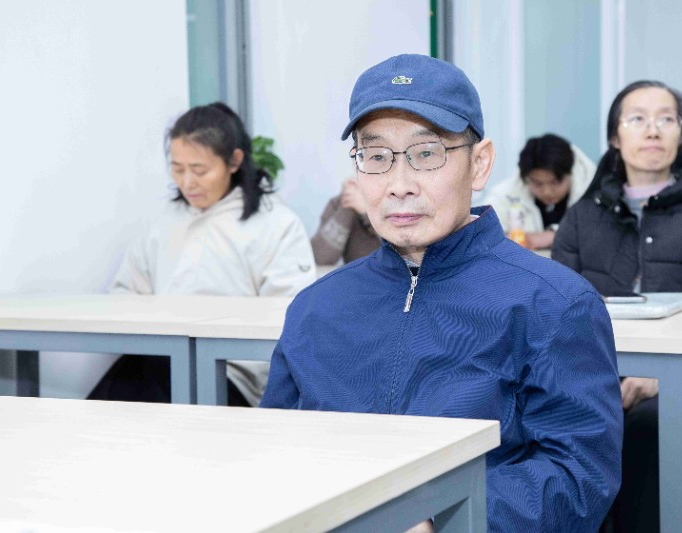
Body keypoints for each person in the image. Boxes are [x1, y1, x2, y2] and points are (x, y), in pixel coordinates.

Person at [260, 54, 622, 532]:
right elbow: (277, 451)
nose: (399, 186)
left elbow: (579, 475)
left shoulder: (554, 303)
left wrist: (442, 520)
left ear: (479, 164)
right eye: (376, 157)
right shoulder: (315, 308)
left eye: (426, 153)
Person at [552, 80, 682, 532]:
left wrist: (659, 376)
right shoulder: (582, 217)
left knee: (648, 425)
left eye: (666, 119)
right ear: (615, 136)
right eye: (638, 119)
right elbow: (557, 315)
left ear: (680, 132)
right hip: (598, 377)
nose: (653, 130)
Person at [89, 102, 315, 406]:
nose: (187, 183)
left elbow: (293, 320)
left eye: (199, 170)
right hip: (158, 362)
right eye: (178, 169)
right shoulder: (163, 222)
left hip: (232, 376)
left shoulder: (276, 224)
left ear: (234, 161)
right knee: (98, 409)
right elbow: (125, 295)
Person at [481, 133, 595, 250]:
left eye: (555, 182)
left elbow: (598, 235)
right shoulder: (506, 195)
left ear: (570, 174)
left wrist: (554, 236)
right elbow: (482, 235)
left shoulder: (594, 194)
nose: (547, 192)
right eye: (537, 183)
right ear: (526, 178)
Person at [311, 176, 380, 265]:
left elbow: (396, 254)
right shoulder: (338, 203)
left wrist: (367, 214)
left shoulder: (393, 199)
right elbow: (320, 259)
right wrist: (347, 203)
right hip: (356, 273)